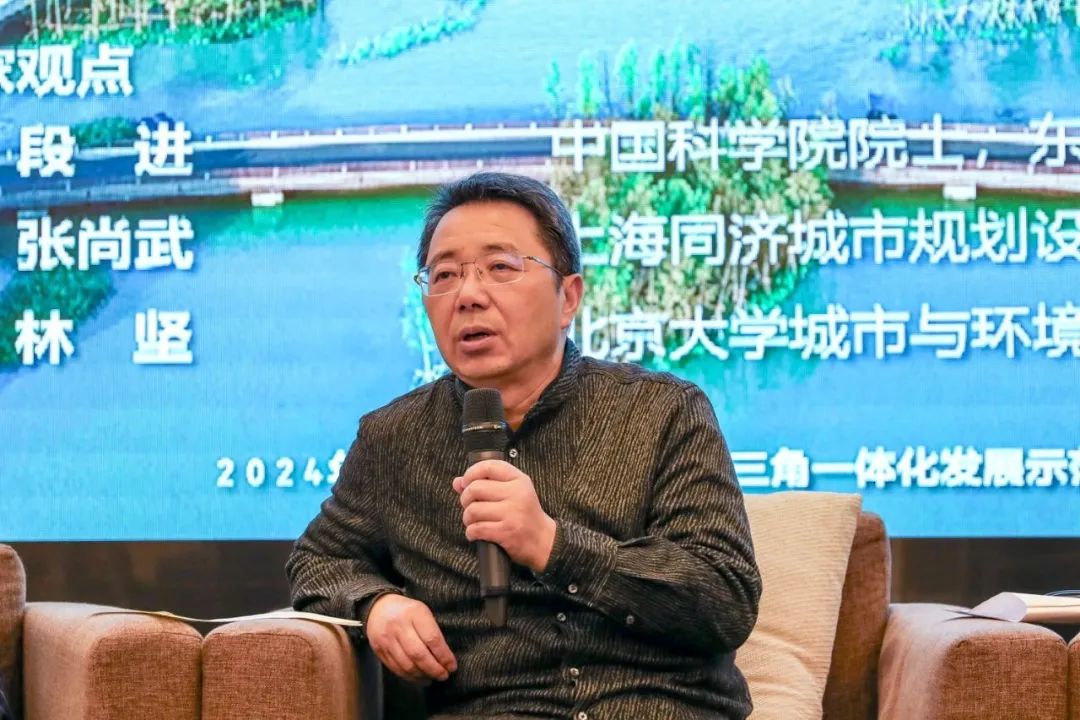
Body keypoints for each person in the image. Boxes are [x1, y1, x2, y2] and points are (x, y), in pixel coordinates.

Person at [286, 171, 761, 720]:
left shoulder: (663, 412)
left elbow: (725, 599)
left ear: (568, 297)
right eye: (444, 275)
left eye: (501, 268)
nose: (468, 296)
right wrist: (376, 605)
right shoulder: (391, 439)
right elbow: (319, 560)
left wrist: (552, 545)